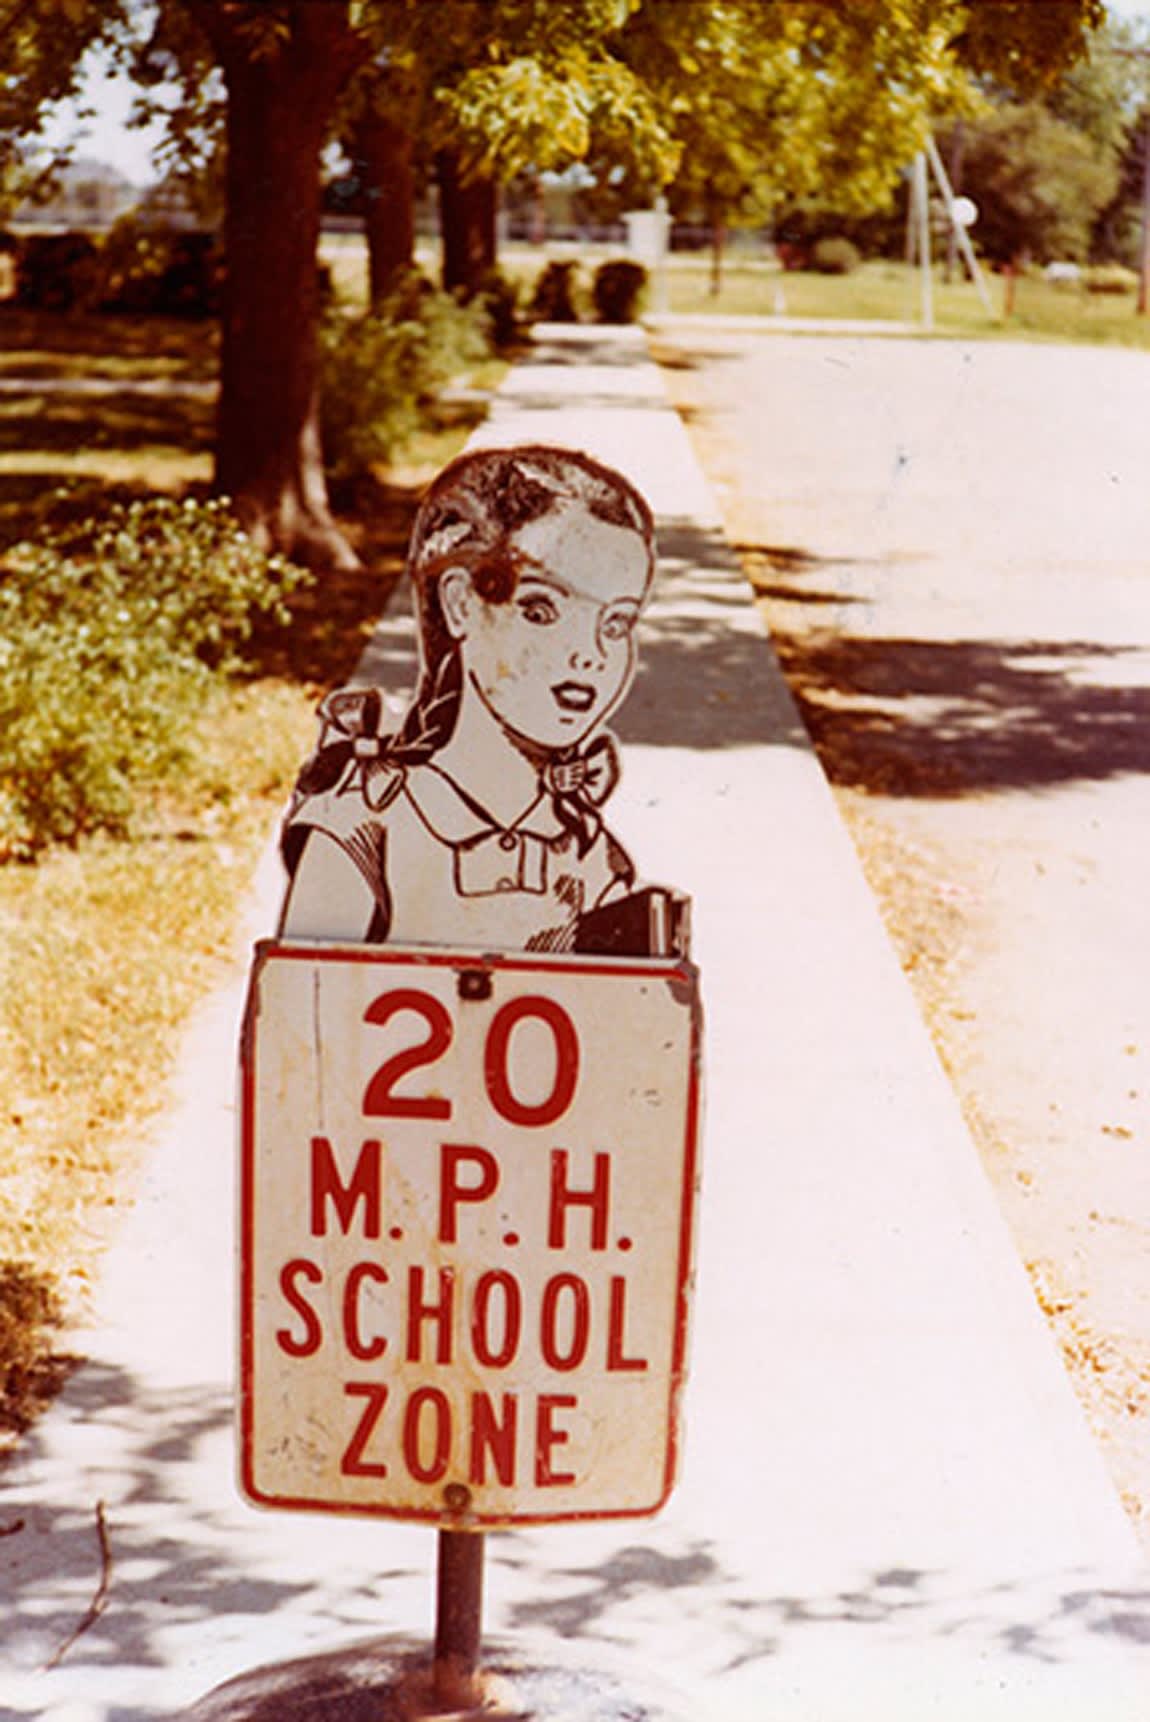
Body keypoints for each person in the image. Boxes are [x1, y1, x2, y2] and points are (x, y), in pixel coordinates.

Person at [278, 443, 668, 954]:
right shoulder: (363, 826)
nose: (590, 654)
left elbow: (629, 1021)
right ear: (460, 603)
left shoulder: (588, 854)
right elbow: (294, 1013)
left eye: (616, 623)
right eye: (541, 609)